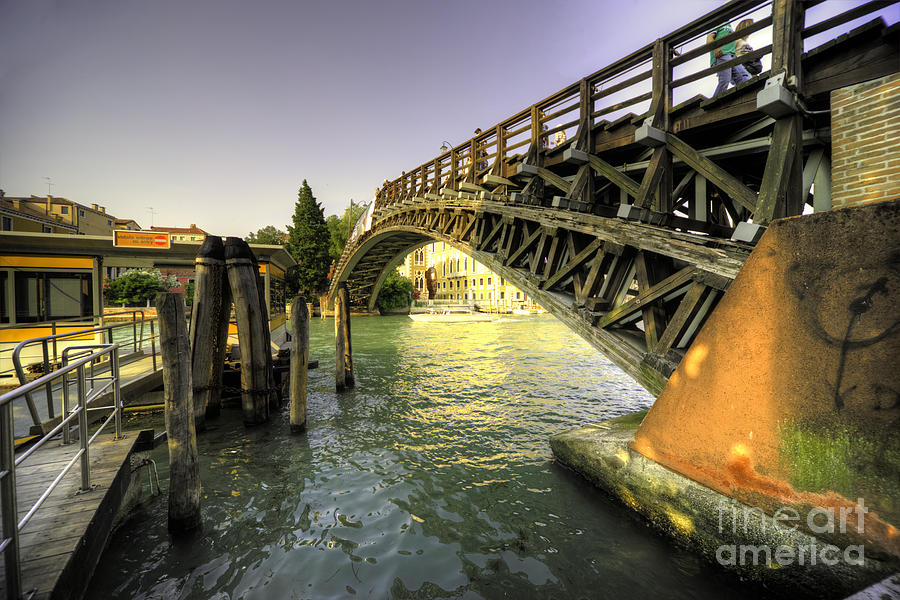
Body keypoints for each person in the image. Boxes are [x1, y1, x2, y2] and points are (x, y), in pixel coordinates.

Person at [707, 22, 750, 96]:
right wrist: (715, 48)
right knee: (725, 80)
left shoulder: (728, 25)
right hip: (722, 55)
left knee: (743, 78)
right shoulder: (717, 23)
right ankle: (715, 102)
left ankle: (747, 97)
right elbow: (709, 38)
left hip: (732, 56)